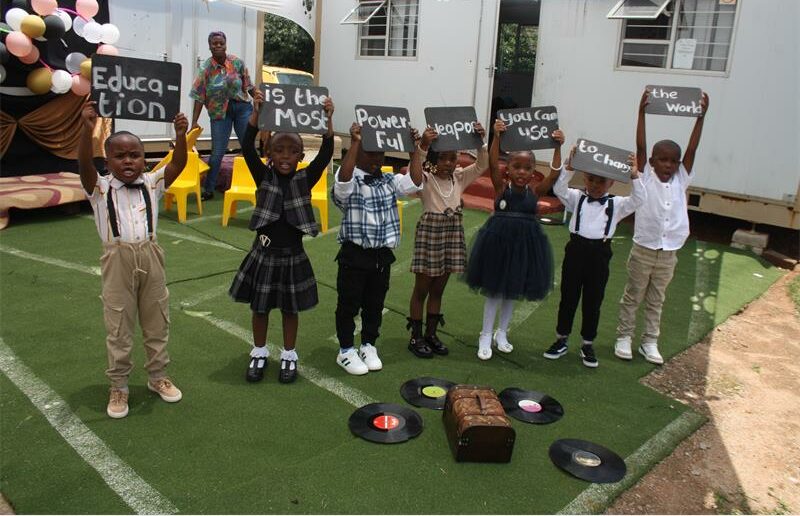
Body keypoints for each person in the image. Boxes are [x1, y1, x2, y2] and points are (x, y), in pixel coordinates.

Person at [77, 101, 188, 419]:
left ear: (143, 158)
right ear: (107, 160)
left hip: (150, 255)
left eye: (134, 155)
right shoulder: (99, 188)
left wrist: (180, 136)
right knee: (119, 325)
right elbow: (84, 164)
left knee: (157, 321)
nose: (128, 161)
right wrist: (87, 131)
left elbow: (177, 166)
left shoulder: (151, 183)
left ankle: (157, 377)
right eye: (120, 156)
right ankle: (119, 386)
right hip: (117, 259)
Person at [229, 90, 334, 384]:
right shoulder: (263, 175)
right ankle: (259, 352)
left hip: (293, 256)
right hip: (264, 254)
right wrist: (256, 113)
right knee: (260, 307)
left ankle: (289, 355)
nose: (285, 156)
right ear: (270, 155)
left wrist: (328, 119)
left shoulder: (305, 178)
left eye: (292, 151)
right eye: (279, 150)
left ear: (301, 156)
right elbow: (247, 146)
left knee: (290, 308)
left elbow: (326, 154)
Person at [613, 88, 709, 365]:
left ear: (679, 164)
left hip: (669, 252)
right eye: (662, 159)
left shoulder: (681, 179)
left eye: (672, 161)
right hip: (643, 248)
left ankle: (650, 341)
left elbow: (693, 148)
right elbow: (640, 147)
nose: (667, 164)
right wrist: (641, 113)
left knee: (657, 299)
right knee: (633, 295)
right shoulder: (644, 177)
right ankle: (624, 337)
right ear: (652, 161)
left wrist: (701, 117)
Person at [542, 145, 646, 368]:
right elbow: (560, 188)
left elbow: (639, 199)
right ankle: (561, 339)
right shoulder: (576, 198)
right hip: (576, 250)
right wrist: (569, 166)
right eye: (591, 180)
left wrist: (635, 175)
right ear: (585, 179)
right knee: (568, 297)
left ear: (612, 183)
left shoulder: (617, 204)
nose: (596, 186)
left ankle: (587, 343)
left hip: (600, 254)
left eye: (601, 182)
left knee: (593, 300)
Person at [463, 119, 557, 360]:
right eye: (517, 166)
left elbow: (554, 174)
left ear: (534, 171)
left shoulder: (535, 192)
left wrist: (558, 146)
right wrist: (497, 136)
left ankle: (501, 333)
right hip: (498, 243)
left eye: (527, 168)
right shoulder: (501, 187)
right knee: (494, 290)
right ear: (509, 168)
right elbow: (493, 163)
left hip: (525, 245)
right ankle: (485, 334)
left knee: (512, 291)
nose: (522, 172)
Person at [333, 123, 422, 375]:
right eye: (370, 153)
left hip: (381, 256)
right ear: (359, 152)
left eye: (380, 154)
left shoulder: (389, 180)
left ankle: (369, 344)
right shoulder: (351, 180)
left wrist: (415, 150)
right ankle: (346, 350)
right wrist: (355, 142)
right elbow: (342, 183)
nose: (376, 159)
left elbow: (414, 182)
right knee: (348, 304)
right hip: (354, 254)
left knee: (375, 303)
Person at [405, 124, 488, 358]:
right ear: (433, 160)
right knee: (422, 288)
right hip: (430, 233)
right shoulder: (425, 179)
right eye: (443, 158)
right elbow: (415, 174)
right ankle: (416, 336)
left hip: (452, 233)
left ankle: (431, 334)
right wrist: (423, 146)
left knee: (439, 288)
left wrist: (480, 141)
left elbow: (483, 164)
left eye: (453, 158)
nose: (449, 163)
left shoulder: (459, 178)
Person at [189, 30, 254, 200]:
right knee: (217, 151)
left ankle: (258, 184)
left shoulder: (237, 62)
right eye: (214, 43)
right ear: (209, 46)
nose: (218, 46)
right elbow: (198, 96)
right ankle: (209, 189)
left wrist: (264, 105)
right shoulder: (206, 69)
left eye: (221, 43)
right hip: (219, 113)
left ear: (225, 44)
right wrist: (194, 121)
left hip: (242, 108)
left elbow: (249, 86)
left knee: (248, 147)